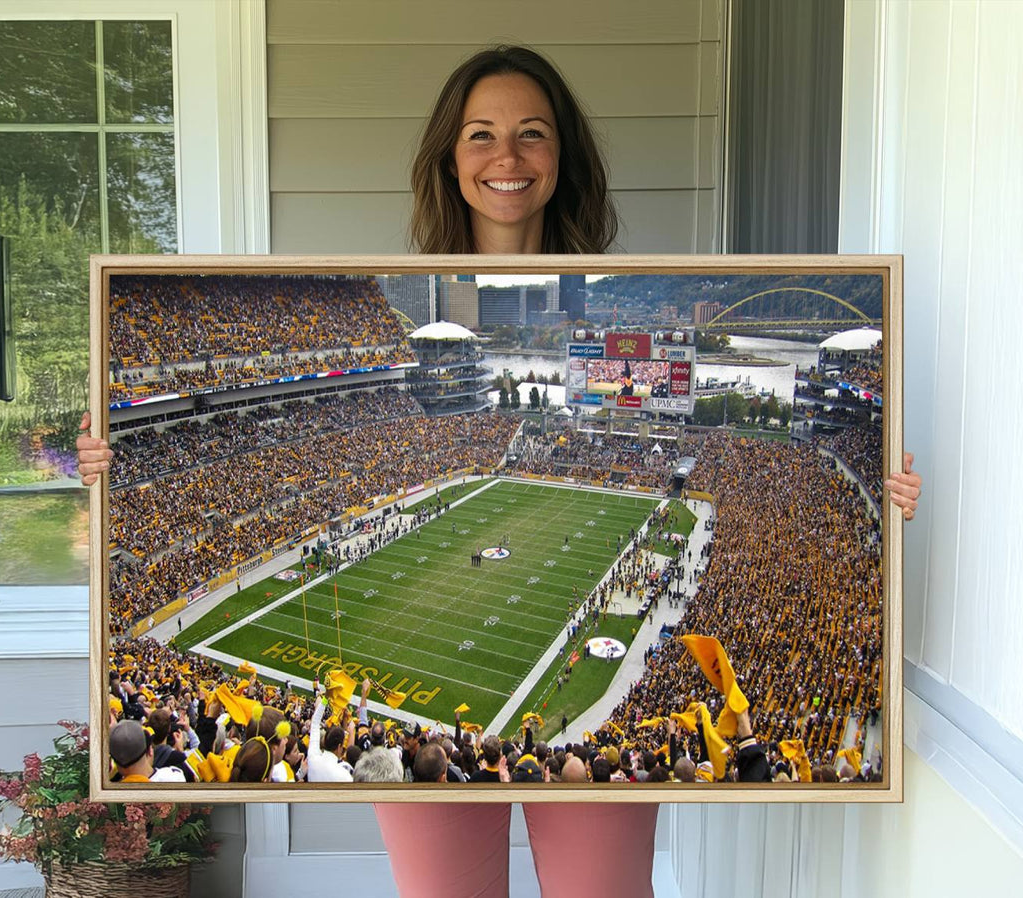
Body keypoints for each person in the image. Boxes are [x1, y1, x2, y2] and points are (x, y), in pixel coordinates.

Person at [77, 42, 924, 898]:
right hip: (434, 766)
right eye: (480, 134)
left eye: (533, 133)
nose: (506, 157)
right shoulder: (388, 285)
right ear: (450, 157)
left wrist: (887, 492)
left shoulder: (629, 279)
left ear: (564, 157)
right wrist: (102, 467)